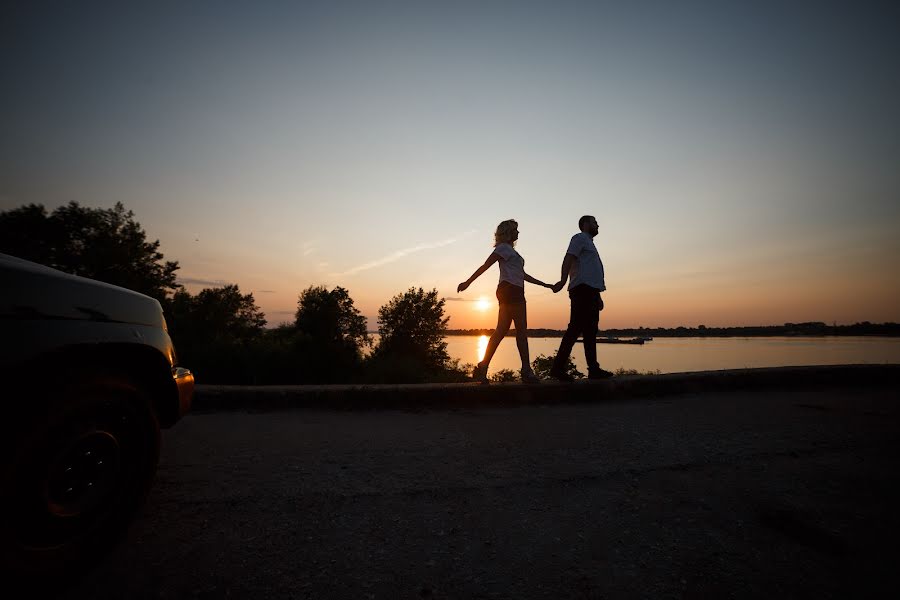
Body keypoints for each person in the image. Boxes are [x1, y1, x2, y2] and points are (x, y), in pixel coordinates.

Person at [457, 219, 554, 383]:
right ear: (508, 232)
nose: (518, 233)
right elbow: (485, 265)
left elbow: (522, 275)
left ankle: (483, 365)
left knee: (501, 331)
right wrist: (468, 282)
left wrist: (546, 285)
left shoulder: (511, 252)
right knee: (521, 332)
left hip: (512, 290)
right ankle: (526, 370)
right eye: (515, 230)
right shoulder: (503, 248)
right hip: (511, 290)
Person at [549, 215, 614, 380]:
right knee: (575, 328)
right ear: (585, 224)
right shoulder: (579, 238)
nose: (597, 224)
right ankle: (557, 369)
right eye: (594, 222)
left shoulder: (589, 243)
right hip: (582, 290)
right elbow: (568, 257)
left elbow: (590, 271)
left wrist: (597, 295)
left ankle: (593, 369)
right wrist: (563, 280)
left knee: (590, 331)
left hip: (590, 291)